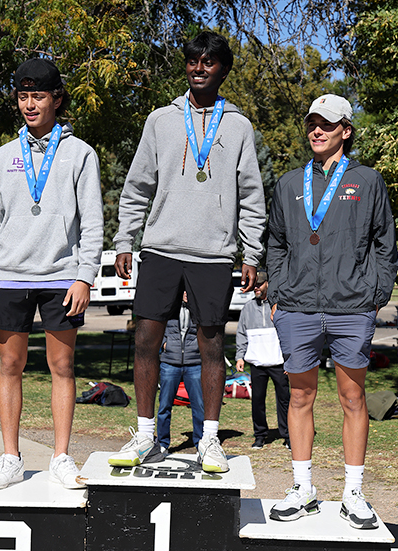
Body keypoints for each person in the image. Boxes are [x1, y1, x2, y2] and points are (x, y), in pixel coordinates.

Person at [108, 31, 266, 474]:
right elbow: (137, 185)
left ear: (223, 70)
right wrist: (126, 238)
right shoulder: (161, 120)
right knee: (145, 340)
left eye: (209, 62)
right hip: (160, 247)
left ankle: (209, 440)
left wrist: (251, 253)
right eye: (193, 61)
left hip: (214, 253)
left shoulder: (237, 126)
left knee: (212, 345)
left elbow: (252, 195)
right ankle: (145, 435)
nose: (199, 68)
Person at [0, 58, 104, 491]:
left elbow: (93, 222)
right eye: (23, 96)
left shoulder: (81, 153)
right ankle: (10, 457)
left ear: (57, 99)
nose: (30, 104)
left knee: (62, 366)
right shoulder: (2, 157)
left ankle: (62, 457)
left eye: (39, 96)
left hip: (62, 276)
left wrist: (85, 276)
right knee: (10, 364)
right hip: (9, 276)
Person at [266, 94, 398, 528]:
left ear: (346, 130)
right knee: (299, 396)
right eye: (311, 124)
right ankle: (302, 486)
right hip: (298, 307)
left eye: (326, 124)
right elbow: (277, 243)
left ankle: (354, 493)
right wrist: (278, 291)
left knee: (352, 398)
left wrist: (373, 294)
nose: (316, 131)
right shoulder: (288, 184)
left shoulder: (368, 180)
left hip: (350, 307)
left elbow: (385, 244)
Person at [235, 271, 290, 450]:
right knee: (257, 400)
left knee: (284, 399)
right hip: (257, 363)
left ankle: (288, 435)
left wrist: (290, 359)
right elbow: (242, 333)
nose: (256, 287)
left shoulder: (280, 306)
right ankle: (260, 435)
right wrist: (240, 356)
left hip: (278, 362)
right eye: (254, 285)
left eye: (259, 284)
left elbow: (289, 334)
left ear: (268, 284)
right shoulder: (248, 308)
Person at [156, 292, 205, 453]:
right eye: (182, 291)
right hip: (170, 362)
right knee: (164, 405)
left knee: (198, 406)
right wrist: (164, 344)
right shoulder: (169, 308)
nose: (186, 294)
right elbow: (157, 327)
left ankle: (200, 443)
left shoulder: (199, 309)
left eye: (188, 290)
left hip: (194, 363)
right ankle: (162, 443)